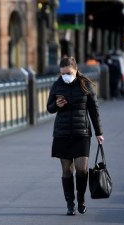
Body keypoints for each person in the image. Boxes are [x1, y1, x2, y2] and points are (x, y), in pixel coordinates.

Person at [46, 56, 104, 216]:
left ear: (76, 70)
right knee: (67, 170)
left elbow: (94, 109)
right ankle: (70, 203)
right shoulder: (57, 85)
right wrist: (56, 105)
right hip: (62, 134)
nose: (66, 76)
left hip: (82, 133)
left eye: (68, 73)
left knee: (82, 169)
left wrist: (99, 132)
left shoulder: (85, 84)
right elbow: (49, 108)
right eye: (63, 73)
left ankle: (81, 198)